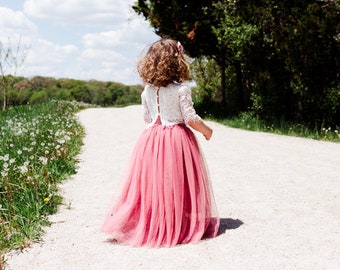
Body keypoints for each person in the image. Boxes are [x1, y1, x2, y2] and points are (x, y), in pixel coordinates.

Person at [101, 39, 219, 247]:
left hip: (151, 139)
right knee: (177, 180)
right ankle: (176, 223)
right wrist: (206, 131)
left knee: (156, 182)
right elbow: (190, 118)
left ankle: (157, 222)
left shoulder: (147, 90)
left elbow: (147, 118)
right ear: (177, 62)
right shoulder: (181, 90)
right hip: (175, 139)